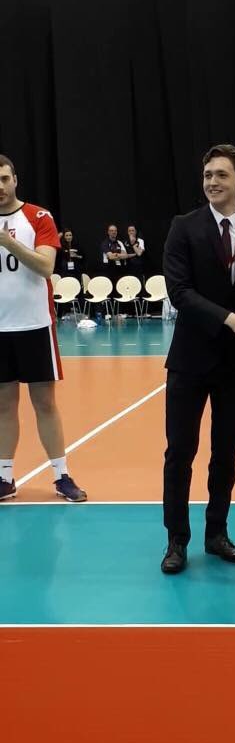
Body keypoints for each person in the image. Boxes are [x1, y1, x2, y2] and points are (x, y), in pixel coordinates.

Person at [161, 144, 235, 574]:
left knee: (225, 453)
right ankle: (177, 539)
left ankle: (216, 533)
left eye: (222, 175)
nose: (212, 182)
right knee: (180, 452)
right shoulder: (183, 227)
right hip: (190, 359)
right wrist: (232, 320)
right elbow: (180, 292)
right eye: (208, 174)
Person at [0, 155, 87, 502]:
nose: (0, 186)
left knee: (45, 404)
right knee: (4, 406)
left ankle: (62, 476)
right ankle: (5, 478)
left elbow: (46, 267)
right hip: (0, 329)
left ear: (15, 179)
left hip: (35, 325)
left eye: (5, 178)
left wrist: (9, 243)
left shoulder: (38, 217)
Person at [100, 224, 127, 289]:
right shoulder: (105, 243)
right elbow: (111, 257)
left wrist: (116, 254)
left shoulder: (119, 242)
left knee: (119, 288)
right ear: (108, 232)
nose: (113, 232)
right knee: (110, 289)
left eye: (115, 231)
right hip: (108, 269)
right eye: (111, 230)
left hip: (119, 269)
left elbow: (126, 256)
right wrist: (120, 255)